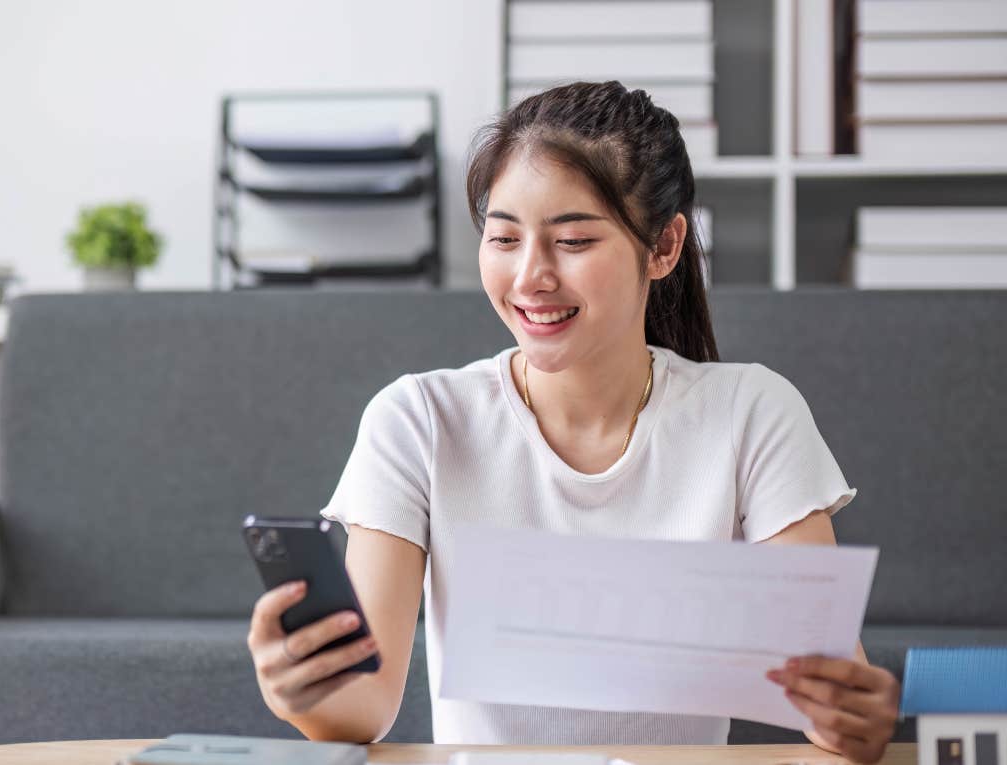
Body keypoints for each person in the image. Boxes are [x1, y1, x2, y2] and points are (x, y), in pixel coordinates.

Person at [245, 81, 901, 764]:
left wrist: (859, 715)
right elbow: (365, 707)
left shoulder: (752, 414)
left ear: (665, 246)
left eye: (574, 239)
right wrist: (303, 687)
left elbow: (831, 697)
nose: (530, 276)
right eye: (503, 237)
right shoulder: (418, 421)